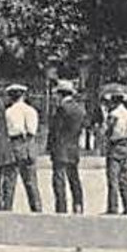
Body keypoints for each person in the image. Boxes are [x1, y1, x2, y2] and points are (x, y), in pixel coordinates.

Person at [0, 83, 42, 212]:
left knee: (10, 180)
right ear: (23, 95)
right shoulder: (31, 111)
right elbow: (33, 130)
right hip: (29, 144)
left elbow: (7, 130)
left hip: (14, 144)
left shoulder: (8, 112)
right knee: (31, 181)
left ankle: (7, 208)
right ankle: (36, 208)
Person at [47, 79, 85, 214]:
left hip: (61, 148)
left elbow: (56, 130)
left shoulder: (62, 109)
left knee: (59, 180)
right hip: (73, 148)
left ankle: (61, 207)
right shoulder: (79, 109)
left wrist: (50, 145)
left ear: (61, 94)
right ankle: (78, 205)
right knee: (74, 179)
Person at [103, 89, 127, 216]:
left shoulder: (114, 114)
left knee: (113, 178)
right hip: (126, 145)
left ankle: (113, 206)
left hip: (115, 145)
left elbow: (109, 130)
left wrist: (106, 137)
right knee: (125, 177)